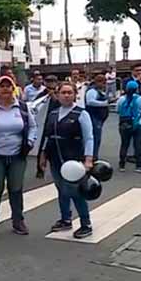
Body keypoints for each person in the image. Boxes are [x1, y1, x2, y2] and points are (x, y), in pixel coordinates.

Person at [0, 76, 37, 235]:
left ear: (13, 89)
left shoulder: (22, 108)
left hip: (17, 154)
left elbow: (32, 126)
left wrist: (30, 141)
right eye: (1, 86)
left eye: (8, 86)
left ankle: (18, 221)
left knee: (16, 188)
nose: (5, 89)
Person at [39, 82, 95, 239]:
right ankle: (65, 219)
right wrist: (43, 155)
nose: (66, 95)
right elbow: (47, 136)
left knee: (76, 192)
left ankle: (86, 224)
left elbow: (89, 137)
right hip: (55, 158)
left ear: (75, 94)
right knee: (61, 190)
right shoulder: (53, 114)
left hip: (74, 160)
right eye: (63, 92)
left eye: (70, 92)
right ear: (57, 95)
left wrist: (88, 159)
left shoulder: (81, 114)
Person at [117, 81, 141, 173]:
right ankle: (139, 165)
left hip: (124, 124)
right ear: (137, 89)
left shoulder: (121, 99)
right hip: (139, 124)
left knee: (124, 144)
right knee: (137, 145)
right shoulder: (140, 99)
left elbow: (118, 110)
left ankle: (122, 165)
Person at [85, 74, 110, 159]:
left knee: (97, 138)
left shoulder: (100, 91)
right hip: (93, 117)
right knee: (95, 138)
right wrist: (104, 103)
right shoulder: (92, 91)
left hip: (99, 118)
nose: (104, 84)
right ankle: (93, 157)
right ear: (97, 82)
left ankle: (94, 155)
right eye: (103, 82)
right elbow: (90, 102)